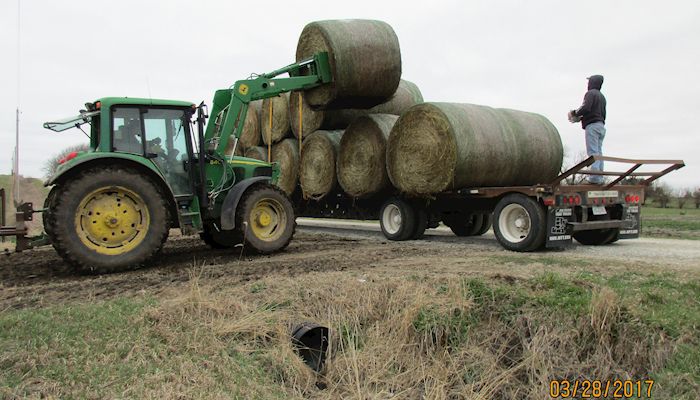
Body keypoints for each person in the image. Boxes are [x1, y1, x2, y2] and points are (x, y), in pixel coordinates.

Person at [569, 75, 607, 184]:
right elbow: (597, 113)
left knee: (593, 152)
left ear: (592, 83)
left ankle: (594, 178)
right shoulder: (602, 97)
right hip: (601, 126)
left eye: (589, 82)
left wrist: (574, 113)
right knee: (599, 152)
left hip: (593, 127)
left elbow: (586, 107)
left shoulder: (590, 94)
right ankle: (599, 177)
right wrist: (581, 118)